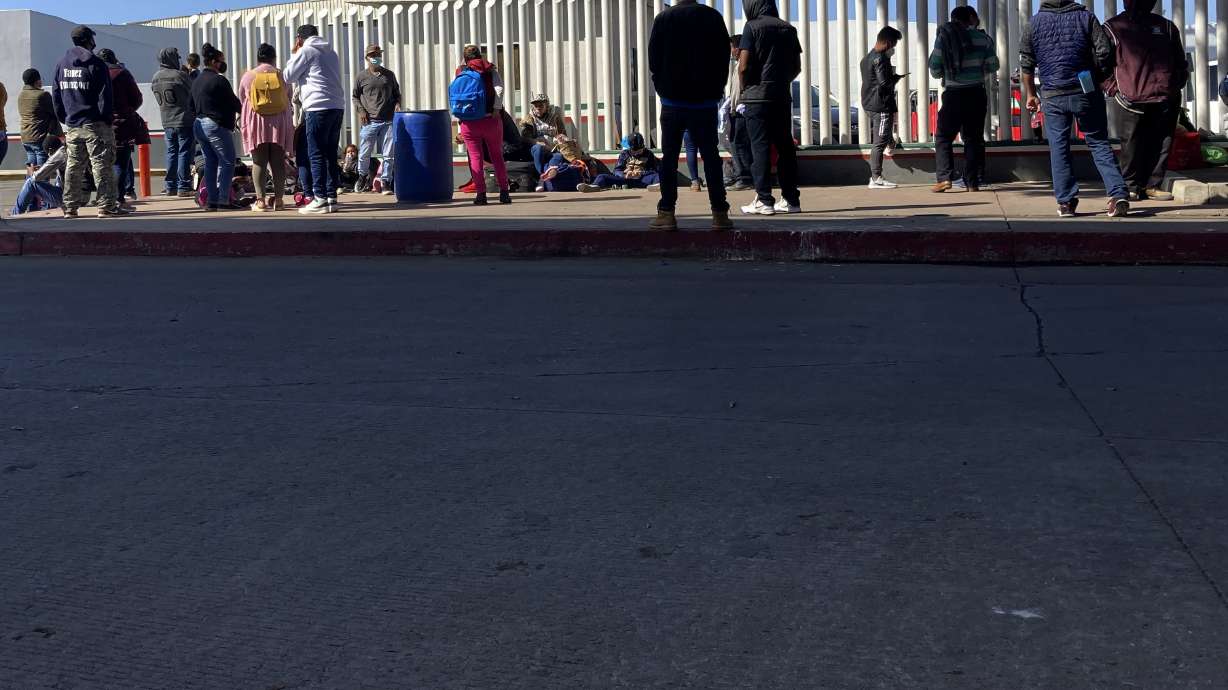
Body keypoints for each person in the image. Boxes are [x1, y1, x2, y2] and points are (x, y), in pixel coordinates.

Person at [1020, 0, 1129, 218]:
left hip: (1052, 94)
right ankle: (1117, 194)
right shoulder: (1086, 17)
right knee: (1098, 142)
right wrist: (1096, 76)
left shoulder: (1034, 23)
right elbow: (1105, 51)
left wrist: (1031, 94)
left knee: (1059, 148)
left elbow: (1026, 64)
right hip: (1085, 89)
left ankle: (1066, 202)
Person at [648, 0, 733, 231]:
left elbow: (653, 60)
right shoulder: (712, 17)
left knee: (669, 157)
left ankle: (666, 212)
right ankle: (719, 214)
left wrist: (663, 89)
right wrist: (716, 89)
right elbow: (723, 57)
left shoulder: (664, 19)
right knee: (711, 156)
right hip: (704, 101)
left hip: (672, 101)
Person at [1104, 0, 1188, 202]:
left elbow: (1180, 61)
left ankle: (1152, 185)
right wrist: (1113, 88)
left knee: (1161, 143)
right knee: (1131, 145)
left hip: (1165, 96)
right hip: (1130, 98)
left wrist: (1175, 85)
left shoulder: (1166, 26)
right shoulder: (1113, 28)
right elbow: (1100, 63)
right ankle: (1131, 186)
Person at [738, 0, 803, 216]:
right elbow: (797, 67)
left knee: (760, 148)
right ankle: (791, 200)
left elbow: (744, 66)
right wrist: (782, 81)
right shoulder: (788, 28)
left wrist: (745, 88)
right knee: (785, 147)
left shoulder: (752, 27)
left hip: (757, 99)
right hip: (781, 97)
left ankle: (764, 199)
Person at [53, 25, 125, 218]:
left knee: (74, 167)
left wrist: (66, 118)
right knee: (101, 165)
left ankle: (70, 207)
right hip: (96, 124)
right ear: (88, 40)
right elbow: (105, 97)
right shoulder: (96, 64)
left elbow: (57, 97)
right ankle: (106, 206)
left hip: (73, 125)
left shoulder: (61, 64)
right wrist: (107, 120)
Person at [928, 7, 997, 193]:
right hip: (976, 93)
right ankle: (972, 182)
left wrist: (948, 71)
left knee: (943, 137)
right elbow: (993, 65)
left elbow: (934, 67)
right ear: (972, 18)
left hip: (954, 94)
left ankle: (944, 178)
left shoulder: (944, 38)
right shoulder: (983, 39)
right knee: (973, 138)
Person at [285, 24, 346, 215]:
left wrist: (295, 52)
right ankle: (330, 198)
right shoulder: (331, 52)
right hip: (336, 106)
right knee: (329, 153)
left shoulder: (307, 50)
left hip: (317, 107)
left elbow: (288, 76)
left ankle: (319, 198)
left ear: (299, 39)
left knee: (316, 153)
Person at [453, 44, 512, 205]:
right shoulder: (490, 69)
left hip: (469, 123)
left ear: (465, 58)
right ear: (480, 55)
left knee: (475, 158)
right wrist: (496, 108)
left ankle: (481, 194)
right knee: (497, 156)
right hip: (490, 120)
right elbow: (499, 90)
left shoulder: (460, 72)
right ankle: (504, 193)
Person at [239, 42, 294, 212]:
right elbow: (289, 97)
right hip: (279, 122)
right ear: (274, 57)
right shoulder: (282, 75)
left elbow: (242, 99)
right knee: (277, 161)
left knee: (259, 162)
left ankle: (261, 201)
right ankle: (278, 200)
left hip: (256, 122)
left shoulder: (248, 76)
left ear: (258, 58)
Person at [191, 42, 242, 211]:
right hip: (215, 125)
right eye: (221, 60)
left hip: (199, 125)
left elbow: (190, 105)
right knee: (228, 162)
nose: (223, 64)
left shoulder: (197, 80)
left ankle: (211, 200)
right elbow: (234, 102)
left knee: (210, 163)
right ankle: (223, 199)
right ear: (213, 62)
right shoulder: (219, 80)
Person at [96, 49, 148, 210]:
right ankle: (117, 199)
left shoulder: (94, 75)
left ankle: (104, 198)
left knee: (102, 163)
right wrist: (126, 110)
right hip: (123, 124)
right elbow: (137, 98)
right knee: (121, 162)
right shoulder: (123, 74)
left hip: (100, 124)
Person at [353, 44, 401, 194]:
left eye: (378, 55)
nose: (376, 58)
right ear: (367, 58)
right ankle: (362, 176)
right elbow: (355, 97)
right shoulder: (361, 76)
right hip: (369, 121)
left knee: (388, 154)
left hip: (388, 120)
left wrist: (398, 104)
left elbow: (397, 94)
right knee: (364, 153)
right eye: (373, 55)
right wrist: (361, 110)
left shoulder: (389, 75)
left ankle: (386, 181)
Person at [860, 26, 904, 190]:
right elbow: (884, 83)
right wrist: (895, 78)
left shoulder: (866, 58)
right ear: (887, 42)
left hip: (869, 103)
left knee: (883, 135)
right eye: (893, 44)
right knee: (879, 143)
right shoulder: (881, 59)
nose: (893, 48)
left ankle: (890, 143)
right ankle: (876, 177)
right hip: (881, 105)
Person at [152, 47, 197, 197]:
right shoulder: (180, 76)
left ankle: (170, 186)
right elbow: (194, 93)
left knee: (171, 152)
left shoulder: (156, 77)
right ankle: (183, 186)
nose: (178, 60)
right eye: (177, 58)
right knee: (184, 151)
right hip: (184, 119)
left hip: (166, 121)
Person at [720, 34, 753, 191]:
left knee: (738, 143)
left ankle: (744, 177)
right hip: (735, 110)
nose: (731, 51)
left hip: (742, 111)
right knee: (734, 142)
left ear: (738, 48)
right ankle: (741, 175)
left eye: (732, 47)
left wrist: (740, 104)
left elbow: (743, 88)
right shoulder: (737, 65)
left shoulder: (744, 65)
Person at [578, 133, 661, 192]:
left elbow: (654, 170)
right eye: (634, 151)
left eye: (639, 151)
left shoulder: (649, 154)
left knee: (657, 176)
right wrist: (625, 175)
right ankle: (594, 186)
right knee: (602, 176)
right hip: (625, 180)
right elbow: (617, 171)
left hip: (642, 180)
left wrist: (641, 173)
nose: (636, 153)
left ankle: (657, 186)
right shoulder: (624, 154)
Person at [18, 69, 62, 173]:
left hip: (25, 137)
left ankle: (31, 188)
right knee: (41, 172)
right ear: (36, 80)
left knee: (31, 169)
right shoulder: (42, 95)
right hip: (39, 137)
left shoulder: (21, 95)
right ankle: (41, 187)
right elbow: (54, 112)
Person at [11, 136, 66, 215]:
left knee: (31, 182)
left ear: (50, 150)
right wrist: (43, 169)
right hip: (79, 195)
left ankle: (16, 214)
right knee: (56, 181)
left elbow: (36, 177)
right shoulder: (67, 150)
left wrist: (32, 172)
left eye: (48, 154)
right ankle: (48, 207)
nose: (49, 156)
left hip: (67, 198)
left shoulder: (59, 154)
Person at [522, 93, 569, 177]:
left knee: (558, 156)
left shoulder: (555, 118)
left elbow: (562, 134)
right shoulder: (529, 119)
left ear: (546, 106)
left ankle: (548, 175)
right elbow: (525, 138)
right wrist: (536, 142)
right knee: (538, 148)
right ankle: (542, 176)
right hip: (536, 149)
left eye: (541, 105)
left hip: (552, 149)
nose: (538, 108)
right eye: (536, 106)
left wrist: (561, 138)